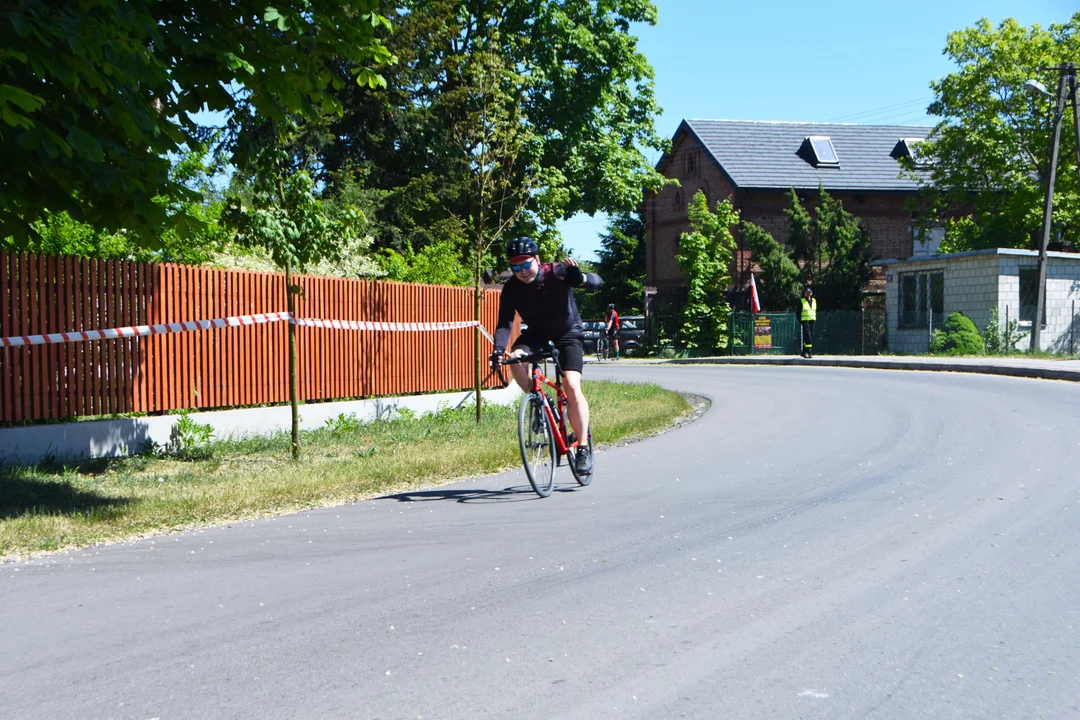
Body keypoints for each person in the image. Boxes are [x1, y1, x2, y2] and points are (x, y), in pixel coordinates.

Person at [490, 237, 603, 475]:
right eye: (516, 266)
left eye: (526, 264)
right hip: (537, 334)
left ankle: (582, 447)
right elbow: (504, 323)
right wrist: (499, 349)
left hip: (568, 332)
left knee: (572, 385)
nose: (522, 271)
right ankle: (538, 400)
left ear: (537, 260)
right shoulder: (511, 288)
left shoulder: (557, 273)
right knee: (516, 358)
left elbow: (597, 281)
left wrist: (579, 278)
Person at [799, 286, 817, 358]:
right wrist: (801, 321)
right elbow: (798, 312)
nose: (808, 294)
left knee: (810, 336)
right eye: (807, 293)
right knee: (808, 337)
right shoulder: (802, 301)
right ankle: (809, 351)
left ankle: (804, 352)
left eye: (810, 293)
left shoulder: (814, 300)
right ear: (805, 294)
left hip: (812, 320)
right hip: (805, 321)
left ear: (811, 293)